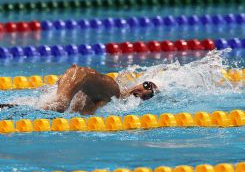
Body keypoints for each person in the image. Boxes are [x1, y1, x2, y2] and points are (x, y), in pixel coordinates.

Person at [0, 64, 158, 115]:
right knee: (59, 105)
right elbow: (82, 72)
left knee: (44, 108)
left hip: (73, 81)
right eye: (147, 85)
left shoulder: (111, 104)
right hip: (76, 76)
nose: (144, 91)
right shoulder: (114, 90)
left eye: (149, 96)